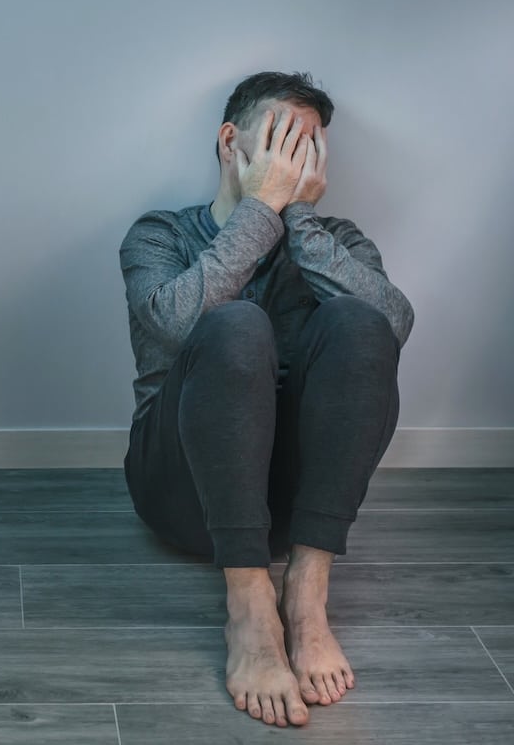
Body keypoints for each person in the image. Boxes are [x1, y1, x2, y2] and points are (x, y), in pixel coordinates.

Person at [119, 71, 414, 728]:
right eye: (282, 139)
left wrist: (300, 217)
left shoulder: (336, 239)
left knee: (360, 319)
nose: (295, 159)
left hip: (291, 509)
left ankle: (307, 591)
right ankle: (249, 603)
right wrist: (261, 209)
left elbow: (392, 326)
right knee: (233, 322)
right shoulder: (159, 235)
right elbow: (170, 322)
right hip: (179, 490)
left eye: (310, 148)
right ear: (232, 142)